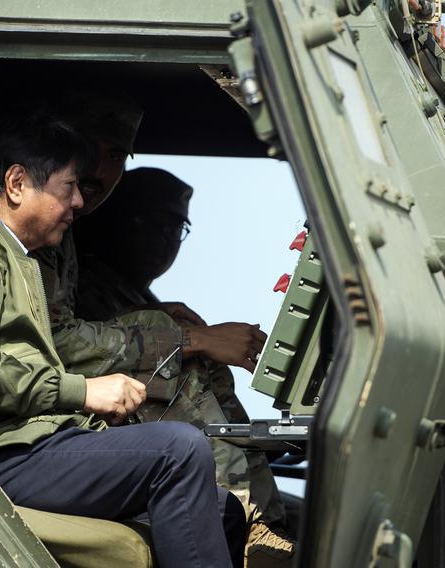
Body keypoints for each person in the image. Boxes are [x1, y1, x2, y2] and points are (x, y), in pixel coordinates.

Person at [0, 110, 245, 568]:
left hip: (39, 441)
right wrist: (82, 392)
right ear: (16, 184)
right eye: (68, 187)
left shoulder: (22, 258)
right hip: (3, 450)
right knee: (179, 450)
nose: (78, 202)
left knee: (224, 508)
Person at [74, 167, 296, 567]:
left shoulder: (139, 296)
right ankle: (250, 518)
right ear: (111, 218)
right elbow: (76, 352)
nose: (163, 238)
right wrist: (186, 342)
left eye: (176, 227)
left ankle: (262, 522)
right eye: (150, 221)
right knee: (181, 364)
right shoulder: (79, 283)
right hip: (91, 432)